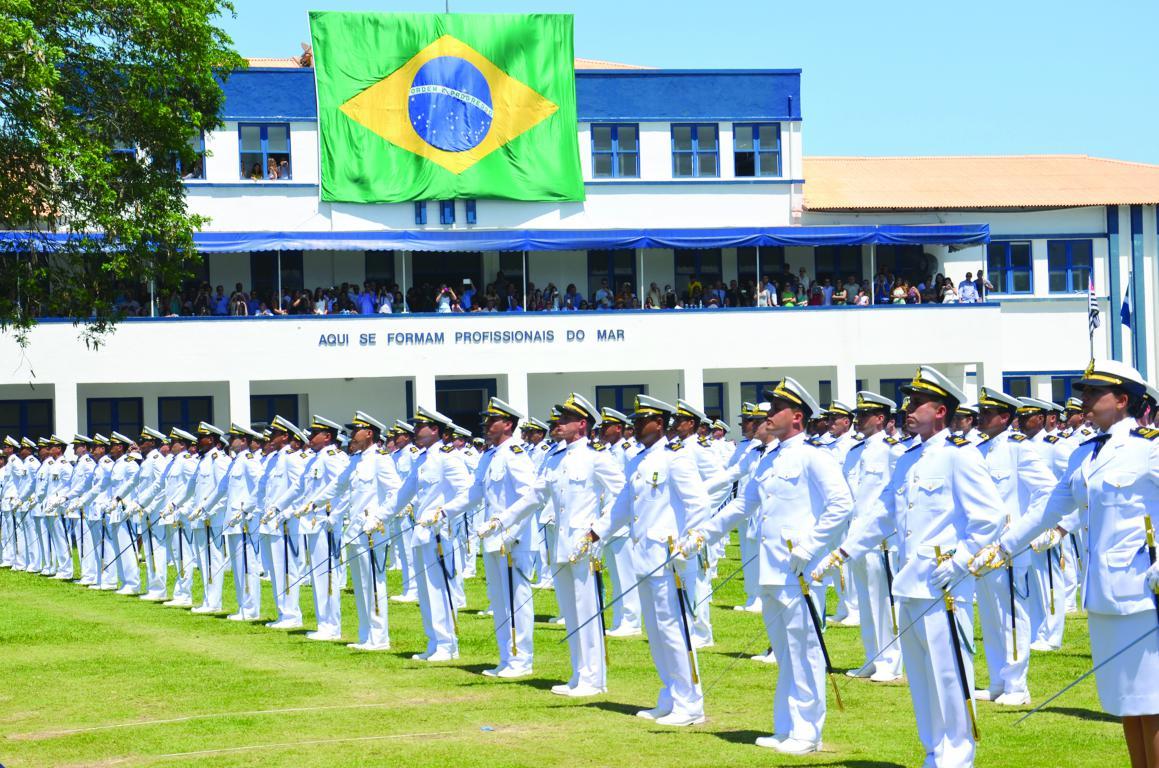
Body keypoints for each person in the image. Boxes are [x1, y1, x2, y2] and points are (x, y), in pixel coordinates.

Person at [971, 359, 1159, 768]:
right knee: (1127, 704)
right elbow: (1049, 509)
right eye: (1085, 392)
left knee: (1154, 704)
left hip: (1144, 595)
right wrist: (1001, 548)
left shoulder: (1149, 448)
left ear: (1122, 399)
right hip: (1104, 595)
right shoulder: (1085, 453)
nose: (1084, 399)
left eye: (1094, 393)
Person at [814, 365, 1005, 768]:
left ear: (941, 411)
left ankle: (958, 756)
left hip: (944, 584)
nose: (908, 409)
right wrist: (844, 551)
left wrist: (962, 561)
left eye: (918, 403)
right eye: (909, 402)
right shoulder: (908, 459)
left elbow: (990, 517)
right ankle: (934, 751)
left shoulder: (959, 456)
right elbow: (882, 515)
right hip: (909, 582)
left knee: (950, 674)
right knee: (921, 678)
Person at [682, 377, 854, 755]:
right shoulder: (770, 457)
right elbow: (744, 505)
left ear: (797, 417)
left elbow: (842, 504)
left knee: (805, 653)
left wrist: (811, 545)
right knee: (785, 653)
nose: (768, 415)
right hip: (772, 570)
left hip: (798, 570)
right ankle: (786, 727)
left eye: (776, 409)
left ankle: (808, 732)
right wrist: (703, 534)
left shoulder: (814, 456)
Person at [579, 395, 712, 727]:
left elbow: (699, 504)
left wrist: (688, 543)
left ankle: (690, 703)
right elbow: (624, 505)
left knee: (674, 631)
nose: (636, 427)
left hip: (668, 559)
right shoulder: (638, 461)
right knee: (655, 632)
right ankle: (670, 695)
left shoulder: (676, 458)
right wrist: (596, 532)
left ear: (660, 424)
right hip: (644, 558)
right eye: (635, 422)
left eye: (642, 421)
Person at [484, 395, 624, 693]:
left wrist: (598, 531)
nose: (558, 424)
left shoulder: (596, 456)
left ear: (582, 424)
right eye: (559, 419)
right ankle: (578, 674)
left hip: (583, 545)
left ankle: (593, 679)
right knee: (571, 613)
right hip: (561, 545)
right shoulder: (555, 457)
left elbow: (622, 495)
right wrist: (501, 520)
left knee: (587, 612)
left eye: (565, 420)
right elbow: (534, 496)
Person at [309, 412, 401, 650]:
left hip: (372, 532)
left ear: (369, 433)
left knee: (374, 583)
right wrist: (314, 502)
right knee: (361, 586)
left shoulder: (381, 459)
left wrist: (379, 518)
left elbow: (395, 492)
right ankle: (366, 635)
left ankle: (379, 638)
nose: (351, 436)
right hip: (355, 532)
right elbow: (338, 485)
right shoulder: (356, 460)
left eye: (356, 431)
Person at [392, 407, 473, 662]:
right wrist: (380, 516)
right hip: (422, 532)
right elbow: (403, 493)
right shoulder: (422, 459)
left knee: (440, 589)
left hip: (439, 533)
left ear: (435, 429)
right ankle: (434, 641)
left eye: (420, 426)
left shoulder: (448, 458)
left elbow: (467, 493)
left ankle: (448, 644)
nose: (415, 431)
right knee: (426, 591)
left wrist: (443, 513)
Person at [840, 392, 904, 682]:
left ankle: (890, 661)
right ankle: (872, 657)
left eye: (865, 415)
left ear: (881, 419)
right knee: (866, 602)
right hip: (855, 537)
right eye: (858, 415)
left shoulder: (893, 450)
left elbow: (897, 496)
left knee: (885, 602)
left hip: (881, 540)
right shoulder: (855, 452)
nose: (859, 420)